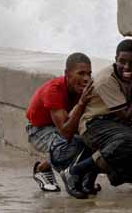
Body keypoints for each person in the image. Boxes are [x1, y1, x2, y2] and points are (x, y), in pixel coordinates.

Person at [59, 39, 132, 197]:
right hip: (93, 125)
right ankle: (74, 172)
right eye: (122, 62)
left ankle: (88, 178)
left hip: (113, 124)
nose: (127, 67)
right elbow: (127, 117)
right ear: (115, 59)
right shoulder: (106, 80)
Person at [25, 52, 93, 197]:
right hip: (39, 130)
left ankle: (84, 178)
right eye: (81, 73)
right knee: (70, 145)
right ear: (67, 74)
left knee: (93, 139)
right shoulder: (54, 90)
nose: (86, 78)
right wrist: (82, 103)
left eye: (89, 73)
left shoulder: (84, 87)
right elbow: (66, 133)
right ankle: (42, 169)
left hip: (63, 124)